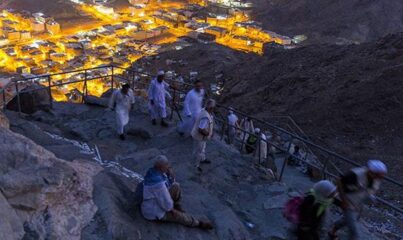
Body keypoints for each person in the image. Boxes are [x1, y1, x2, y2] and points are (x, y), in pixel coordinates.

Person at [141, 155, 213, 229]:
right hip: (154, 211)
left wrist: (171, 175)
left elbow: (170, 183)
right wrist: (171, 210)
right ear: (161, 167)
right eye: (166, 165)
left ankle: (177, 204)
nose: (168, 166)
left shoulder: (154, 171)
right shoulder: (157, 184)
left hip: (157, 200)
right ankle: (198, 223)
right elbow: (165, 201)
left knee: (176, 186)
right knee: (179, 216)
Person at [328, 160, 387, 240]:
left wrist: (369, 198)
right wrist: (344, 202)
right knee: (354, 230)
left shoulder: (376, 178)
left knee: (347, 220)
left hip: (357, 202)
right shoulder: (355, 174)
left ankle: (332, 231)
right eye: (379, 175)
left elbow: (369, 189)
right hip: (346, 200)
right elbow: (339, 182)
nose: (381, 178)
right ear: (371, 172)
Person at [191, 99, 216, 172]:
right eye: (213, 107)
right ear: (211, 108)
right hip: (200, 137)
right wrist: (208, 134)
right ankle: (196, 165)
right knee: (198, 151)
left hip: (201, 137)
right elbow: (201, 129)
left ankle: (203, 159)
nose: (214, 109)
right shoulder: (205, 117)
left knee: (202, 149)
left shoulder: (204, 110)